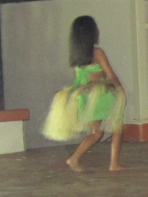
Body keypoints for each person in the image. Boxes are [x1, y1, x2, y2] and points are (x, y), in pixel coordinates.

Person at [42, 15, 126, 172]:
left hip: (86, 97)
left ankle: (74, 158)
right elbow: (110, 74)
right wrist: (120, 90)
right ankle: (114, 164)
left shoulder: (77, 58)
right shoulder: (98, 53)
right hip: (102, 95)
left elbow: (80, 79)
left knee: (97, 132)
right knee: (117, 128)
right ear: (91, 33)